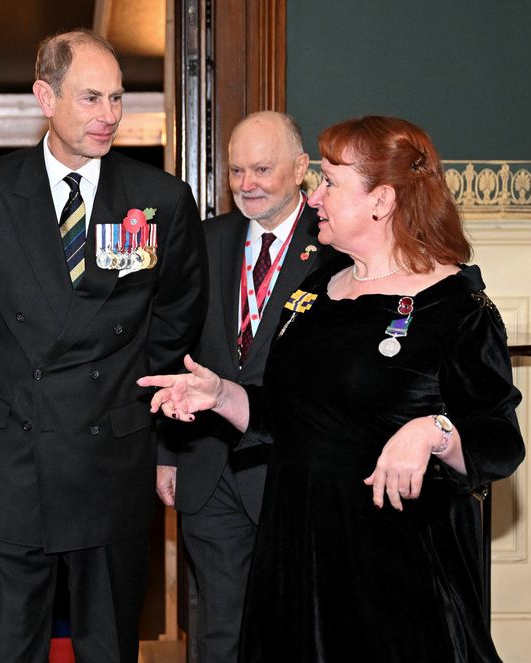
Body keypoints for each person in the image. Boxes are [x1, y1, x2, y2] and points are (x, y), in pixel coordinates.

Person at [139, 115, 524, 662]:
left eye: (330, 183)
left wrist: (432, 431)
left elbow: (499, 442)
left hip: (393, 574)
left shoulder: (456, 307)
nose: (314, 197)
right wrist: (222, 395)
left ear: (381, 201)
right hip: (296, 556)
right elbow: (292, 417)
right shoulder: (319, 288)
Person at [0, 29, 207, 663]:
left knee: (109, 645)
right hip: (11, 459)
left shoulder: (160, 199)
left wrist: (133, 410)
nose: (108, 115)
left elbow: (175, 321)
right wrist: (3, 403)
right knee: (6, 646)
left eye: (117, 98)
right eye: (90, 98)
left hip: (110, 454)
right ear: (44, 97)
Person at [156, 111, 343, 661]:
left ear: (301, 168)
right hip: (208, 465)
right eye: (236, 171)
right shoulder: (203, 240)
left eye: (262, 169)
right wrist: (168, 451)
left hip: (294, 469)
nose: (247, 185)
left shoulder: (334, 248)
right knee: (218, 628)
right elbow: (174, 347)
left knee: (297, 625)